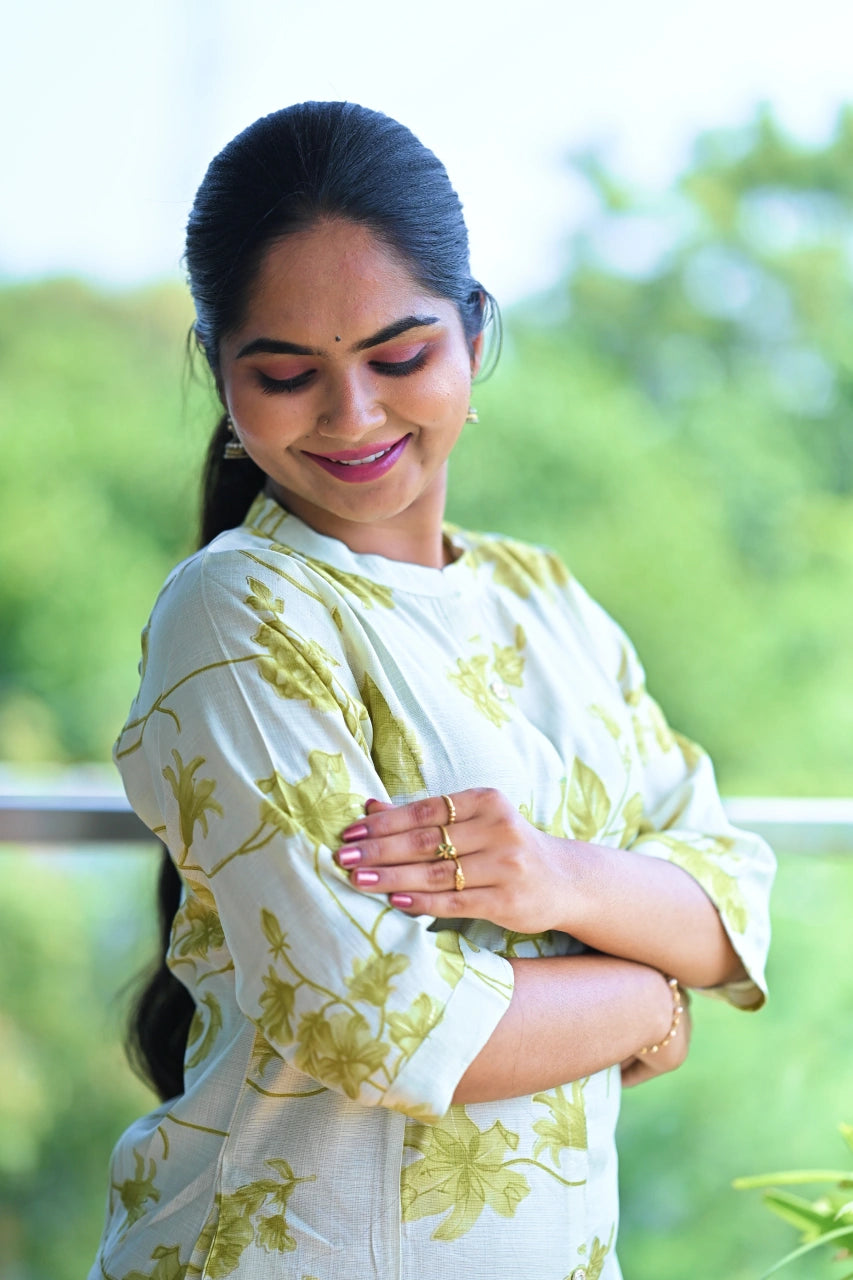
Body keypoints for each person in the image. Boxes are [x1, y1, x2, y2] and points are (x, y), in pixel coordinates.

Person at [89, 101, 775, 1280]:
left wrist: (553, 875)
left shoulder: (544, 598)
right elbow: (379, 1021)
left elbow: (734, 899)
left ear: (470, 334)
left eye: (398, 354)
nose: (352, 415)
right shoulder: (240, 609)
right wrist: (654, 995)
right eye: (288, 371)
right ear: (221, 374)